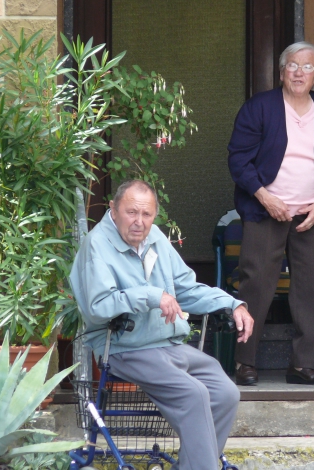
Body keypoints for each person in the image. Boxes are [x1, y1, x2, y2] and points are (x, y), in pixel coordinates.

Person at [70, 179, 254, 470]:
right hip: (125, 347)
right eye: (131, 212)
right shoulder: (96, 245)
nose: (139, 222)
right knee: (194, 394)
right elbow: (98, 307)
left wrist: (232, 304)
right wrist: (152, 296)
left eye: (147, 214)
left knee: (225, 393)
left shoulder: (155, 237)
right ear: (113, 210)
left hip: (169, 342)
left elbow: (186, 289)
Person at [227, 42, 314, 386]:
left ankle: (302, 364)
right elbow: (238, 159)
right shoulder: (259, 107)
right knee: (256, 284)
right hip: (266, 211)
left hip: (310, 215)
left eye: (307, 67)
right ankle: (245, 362)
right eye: (292, 65)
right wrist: (265, 197)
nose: (298, 72)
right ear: (281, 73)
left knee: (310, 288)